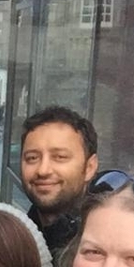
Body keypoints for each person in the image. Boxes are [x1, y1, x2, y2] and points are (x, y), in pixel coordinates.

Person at [21, 106, 99, 255]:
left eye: (60, 157)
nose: (43, 170)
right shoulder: (18, 240)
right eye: (32, 158)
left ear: (90, 167)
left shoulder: (109, 244)